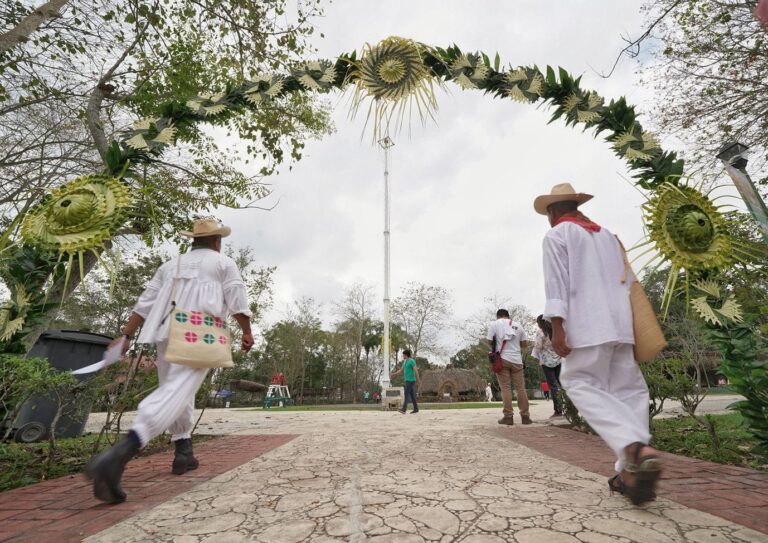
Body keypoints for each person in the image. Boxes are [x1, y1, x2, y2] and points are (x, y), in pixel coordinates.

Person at [85, 217, 254, 504]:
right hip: (200, 334)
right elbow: (236, 298)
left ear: (193, 240)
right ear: (217, 241)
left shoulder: (170, 265)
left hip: (167, 332)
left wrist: (126, 335)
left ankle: (183, 450)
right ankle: (121, 452)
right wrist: (247, 331)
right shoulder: (222, 263)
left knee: (177, 391)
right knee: (174, 392)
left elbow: (146, 302)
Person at [535, 183, 661, 505]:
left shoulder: (557, 235)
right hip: (621, 324)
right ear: (575, 205)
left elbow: (556, 285)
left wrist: (557, 328)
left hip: (588, 324)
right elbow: (629, 282)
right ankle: (630, 470)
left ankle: (633, 448)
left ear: (552, 212)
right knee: (629, 390)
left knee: (578, 381)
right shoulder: (608, 236)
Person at [487, 309, 531, 425]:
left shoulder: (494, 324)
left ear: (498, 316)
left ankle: (508, 416)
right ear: (508, 316)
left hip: (502, 360)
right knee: (520, 388)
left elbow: (489, 341)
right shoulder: (518, 325)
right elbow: (524, 344)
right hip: (517, 360)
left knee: (505, 388)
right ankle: (525, 416)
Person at [532, 314, 563, 417]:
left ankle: (558, 410)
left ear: (540, 323)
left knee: (553, 386)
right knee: (562, 384)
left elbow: (538, 346)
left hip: (546, 362)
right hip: (558, 359)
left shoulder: (540, 332)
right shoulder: (554, 330)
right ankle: (568, 407)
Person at [391, 349, 421, 414]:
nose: (402, 356)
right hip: (407, 380)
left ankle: (404, 409)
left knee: (406, 394)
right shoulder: (405, 362)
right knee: (412, 395)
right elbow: (401, 370)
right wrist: (394, 374)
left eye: (403, 355)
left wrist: (418, 380)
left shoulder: (412, 361)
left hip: (411, 380)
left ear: (406, 355)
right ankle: (416, 409)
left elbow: (416, 370)